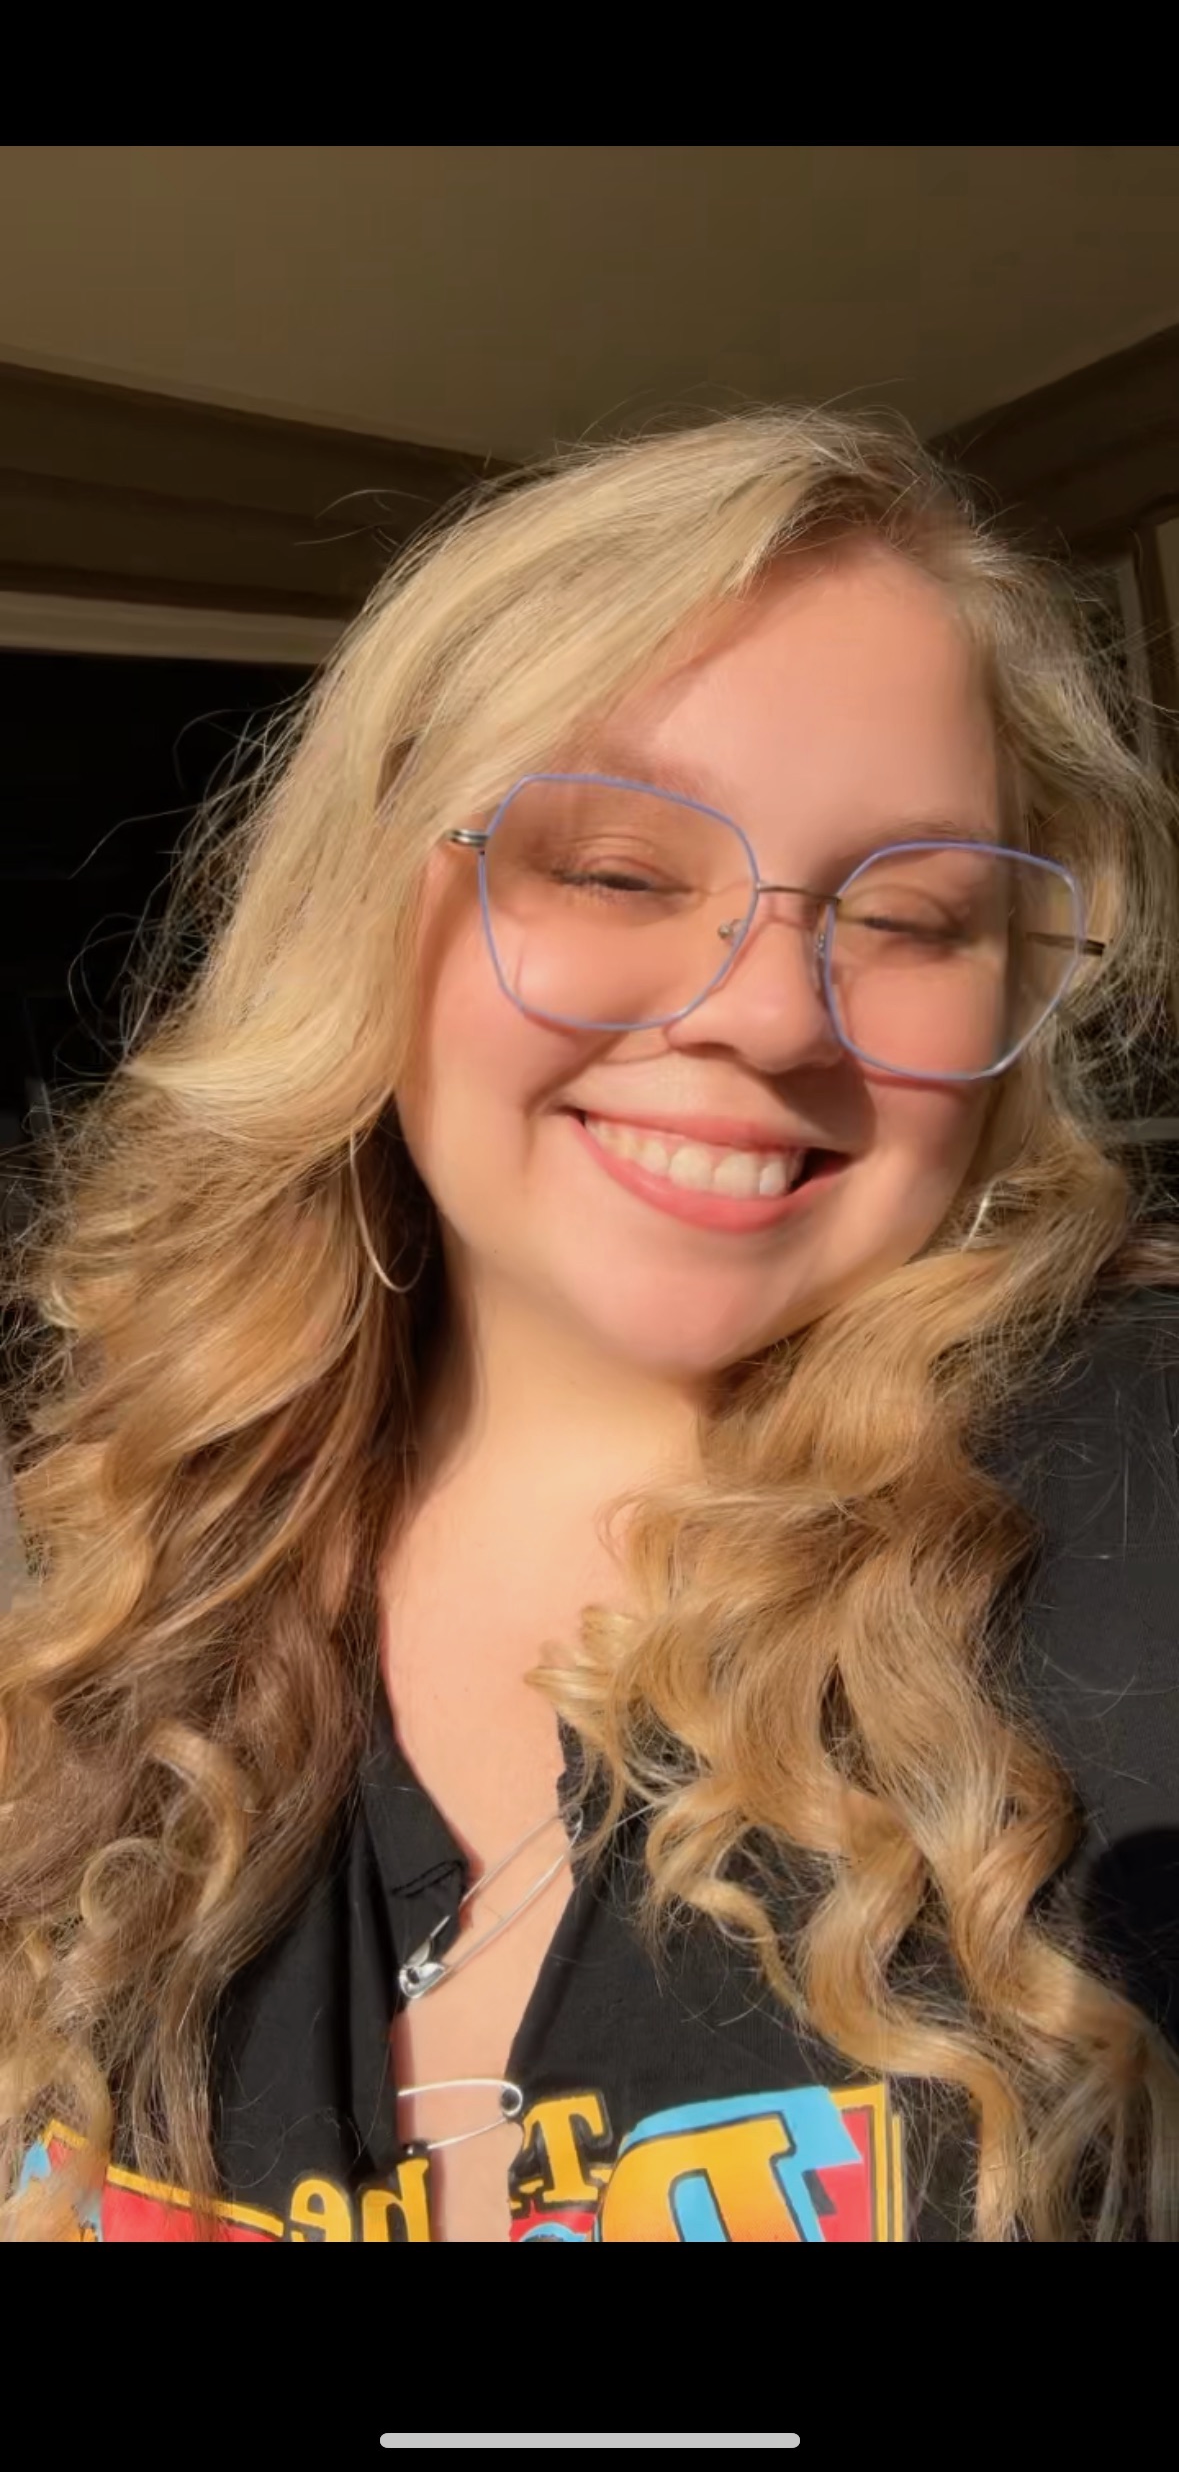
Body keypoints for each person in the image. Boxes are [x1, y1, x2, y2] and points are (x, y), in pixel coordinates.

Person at [2, 407, 1178, 2246]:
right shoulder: (103, 1566)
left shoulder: (1127, 1502)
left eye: (913, 915)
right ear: (361, 905)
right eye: (618, 872)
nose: (773, 1016)